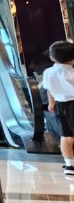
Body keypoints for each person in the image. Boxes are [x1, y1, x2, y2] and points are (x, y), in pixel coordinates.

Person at [41, 40, 74, 177]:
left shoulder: (48, 72)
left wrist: (51, 103)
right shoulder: (72, 73)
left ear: (52, 58)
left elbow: (49, 89)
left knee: (66, 136)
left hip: (60, 105)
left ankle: (69, 165)